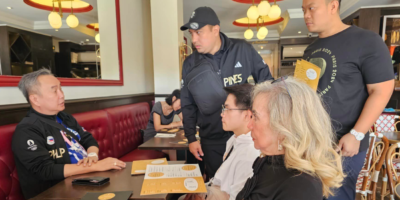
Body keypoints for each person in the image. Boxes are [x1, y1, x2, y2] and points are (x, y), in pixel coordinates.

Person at [302, 0, 394, 199]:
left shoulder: (366, 41)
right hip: (312, 143)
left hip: (343, 144)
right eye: (303, 10)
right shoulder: (311, 49)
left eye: (311, 8)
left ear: (333, 6)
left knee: (336, 196)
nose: (306, 15)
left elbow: (382, 90)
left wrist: (357, 134)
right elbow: (307, 95)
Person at [180, 6, 273, 179]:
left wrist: (265, 123)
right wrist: (191, 137)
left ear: (215, 30)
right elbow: (187, 104)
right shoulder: (190, 63)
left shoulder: (243, 49)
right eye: (191, 34)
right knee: (218, 183)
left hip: (246, 136)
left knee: (248, 183)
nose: (194, 39)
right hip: (212, 139)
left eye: (199, 32)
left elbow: (267, 84)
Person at [12, 69, 126, 199]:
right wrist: (97, 165)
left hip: (88, 182)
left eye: (61, 89)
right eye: (54, 91)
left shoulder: (65, 118)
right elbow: (45, 170)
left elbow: (88, 139)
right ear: (35, 99)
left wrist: (92, 156)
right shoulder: (27, 129)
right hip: (56, 194)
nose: (61, 95)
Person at [236, 77, 344, 200]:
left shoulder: (301, 187)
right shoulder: (268, 162)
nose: (249, 125)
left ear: (283, 126)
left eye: (255, 117)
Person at [181, 84, 259, 200]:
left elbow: (236, 197)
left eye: (227, 109)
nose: (222, 114)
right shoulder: (233, 140)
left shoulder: (250, 153)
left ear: (247, 115)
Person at [143, 89, 183, 160]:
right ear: (174, 98)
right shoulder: (158, 106)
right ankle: (173, 169)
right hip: (152, 137)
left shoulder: (176, 108)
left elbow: (184, 121)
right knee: (173, 149)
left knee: (179, 147)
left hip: (163, 137)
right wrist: (174, 124)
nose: (180, 107)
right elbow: (157, 127)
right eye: (180, 104)